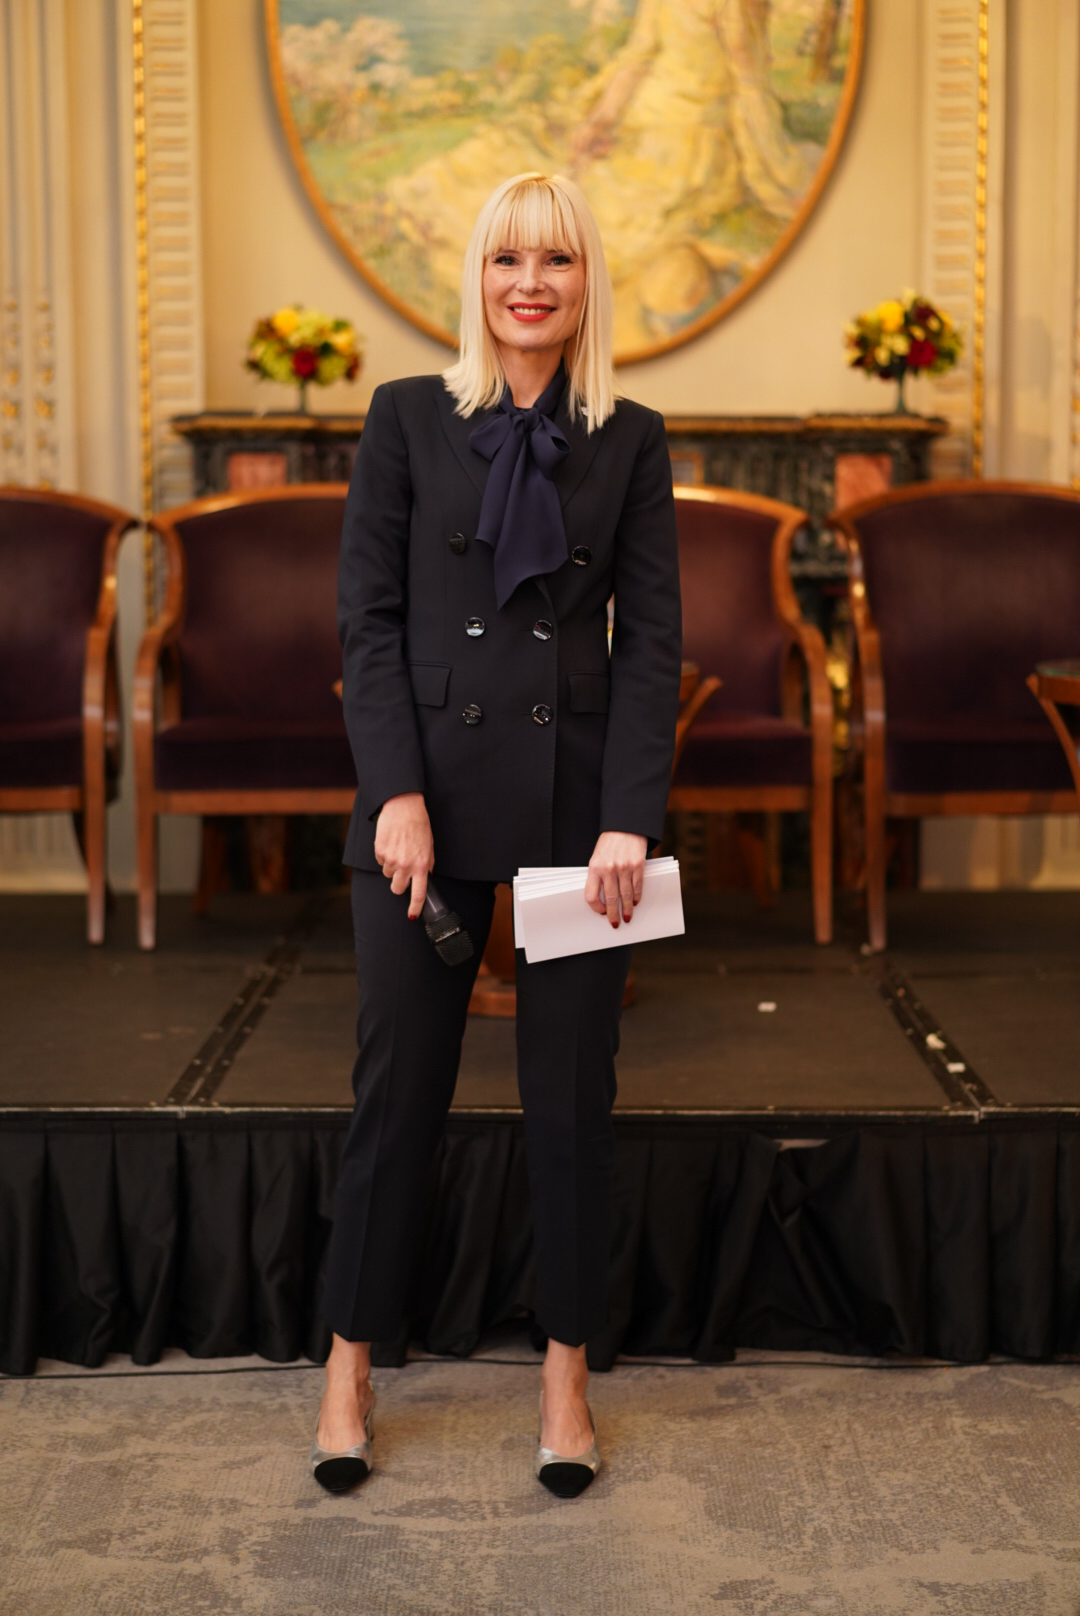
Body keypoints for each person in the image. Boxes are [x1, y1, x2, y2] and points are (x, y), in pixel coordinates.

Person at [313, 171, 682, 1499]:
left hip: (581, 823)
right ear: (477, 278)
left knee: (574, 1104)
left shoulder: (630, 437)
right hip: (421, 811)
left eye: (557, 260)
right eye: (508, 259)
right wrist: (395, 793)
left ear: (587, 284)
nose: (531, 282)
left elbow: (652, 648)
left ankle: (566, 1379)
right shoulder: (406, 416)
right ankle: (350, 1366)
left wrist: (629, 819)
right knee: (397, 1097)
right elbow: (367, 622)